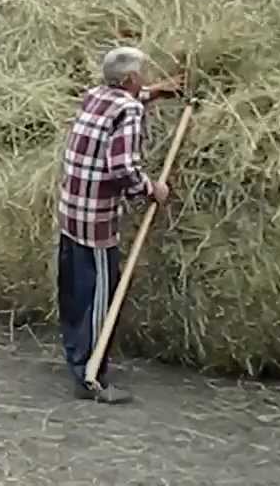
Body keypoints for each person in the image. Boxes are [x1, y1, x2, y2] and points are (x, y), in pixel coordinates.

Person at [57, 46, 182, 404]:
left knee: (74, 290)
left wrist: (157, 92)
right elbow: (122, 167)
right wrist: (151, 189)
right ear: (129, 80)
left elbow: (127, 99)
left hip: (71, 210)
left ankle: (73, 354)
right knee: (99, 296)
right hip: (96, 219)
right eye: (140, 75)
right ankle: (90, 375)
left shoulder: (95, 95)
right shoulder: (127, 109)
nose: (142, 80)